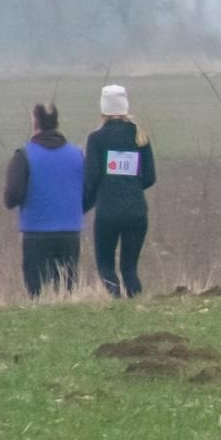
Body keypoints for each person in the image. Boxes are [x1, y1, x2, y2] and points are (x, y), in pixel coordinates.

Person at [82, 85, 157, 298]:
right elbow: (150, 177)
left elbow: (91, 179)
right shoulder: (140, 136)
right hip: (136, 211)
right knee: (130, 269)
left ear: (103, 109)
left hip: (108, 212)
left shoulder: (96, 139)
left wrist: (86, 203)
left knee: (106, 266)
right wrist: (130, 187)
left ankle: (114, 303)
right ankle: (137, 304)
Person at [3, 103, 84, 296]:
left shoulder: (24, 155)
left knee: (36, 291)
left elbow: (12, 196)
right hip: (70, 231)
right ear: (56, 123)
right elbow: (88, 190)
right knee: (67, 290)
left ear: (35, 123)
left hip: (36, 232)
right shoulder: (77, 154)